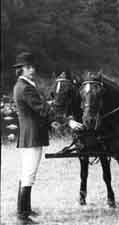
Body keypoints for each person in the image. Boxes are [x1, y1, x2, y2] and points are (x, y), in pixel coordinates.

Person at [13, 52, 82, 224]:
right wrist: (68, 121)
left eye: (32, 66)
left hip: (30, 135)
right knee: (29, 173)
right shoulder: (24, 87)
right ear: (21, 69)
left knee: (27, 173)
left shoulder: (25, 85)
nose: (32, 69)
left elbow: (40, 108)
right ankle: (22, 216)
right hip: (32, 136)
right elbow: (43, 109)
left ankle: (25, 210)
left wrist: (52, 120)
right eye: (28, 67)